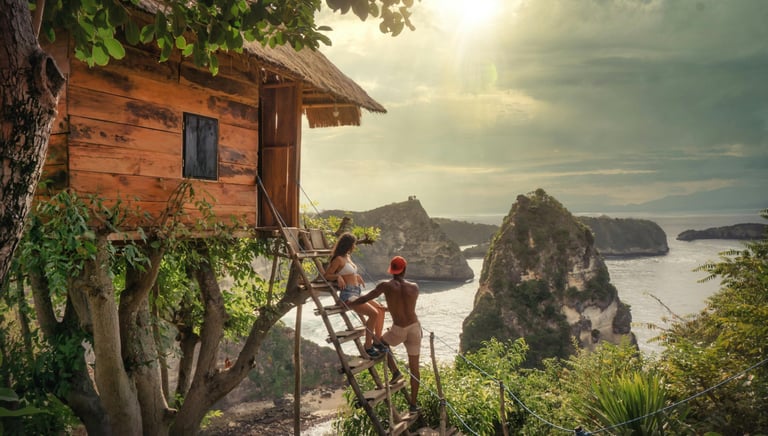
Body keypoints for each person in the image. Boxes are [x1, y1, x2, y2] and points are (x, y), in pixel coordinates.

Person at [349, 255, 422, 412]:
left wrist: (351, 303)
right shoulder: (414, 287)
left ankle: (395, 372)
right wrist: (390, 308)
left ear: (392, 270)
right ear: (405, 269)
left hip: (399, 329)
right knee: (415, 369)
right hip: (415, 328)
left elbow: (366, 298)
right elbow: (406, 307)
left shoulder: (385, 286)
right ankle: (413, 405)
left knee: (381, 344)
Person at [324, 233, 387, 358]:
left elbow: (349, 272)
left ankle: (377, 341)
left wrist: (355, 276)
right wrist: (338, 277)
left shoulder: (347, 256)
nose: (355, 247)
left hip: (356, 292)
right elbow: (326, 275)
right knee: (373, 313)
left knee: (380, 309)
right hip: (348, 295)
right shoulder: (338, 259)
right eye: (354, 244)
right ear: (348, 244)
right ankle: (368, 346)